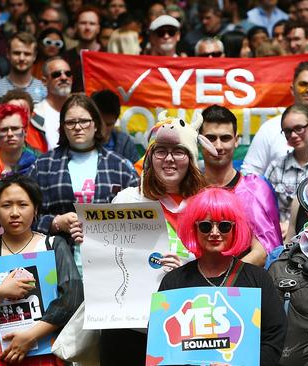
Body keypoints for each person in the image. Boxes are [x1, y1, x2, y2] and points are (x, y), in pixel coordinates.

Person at [102, 111, 216, 365]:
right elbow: (109, 262)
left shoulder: (206, 205)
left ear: (191, 158)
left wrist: (188, 271)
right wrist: (91, 241)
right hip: (128, 328)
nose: (169, 159)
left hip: (186, 325)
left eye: (179, 151)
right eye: (160, 151)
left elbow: (222, 262)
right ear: (150, 157)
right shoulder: (127, 201)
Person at [158, 187, 287, 365]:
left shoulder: (259, 279)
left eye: (224, 225)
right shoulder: (173, 282)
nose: (215, 232)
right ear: (193, 228)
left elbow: (274, 337)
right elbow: (160, 343)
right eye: (205, 225)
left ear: (235, 229)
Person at [0, 174, 83, 365]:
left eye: (22, 204)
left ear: (36, 209)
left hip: (48, 356)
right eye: (6, 205)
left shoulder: (53, 245)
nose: (14, 212)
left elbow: (73, 297)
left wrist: (31, 336)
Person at [29, 94, 138, 273]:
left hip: (110, 267)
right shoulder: (43, 166)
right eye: (71, 122)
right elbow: (25, 218)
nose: (78, 127)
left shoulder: (121, 167)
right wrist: (55, 222)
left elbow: (139, 221)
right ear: (63, 127)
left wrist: (104, 225)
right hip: (57, 266)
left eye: (84, 121)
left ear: (96, 124)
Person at [200, 105, 281, 265]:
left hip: (243, 285)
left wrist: (226, 282)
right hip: (190, 284)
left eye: (225, 138)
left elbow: (265, 251)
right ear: (199, 140)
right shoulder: (188, 188)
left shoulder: (255, 189)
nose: (218, 146)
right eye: (210, 138)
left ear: (236, 140)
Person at [266, 104, 308, 235]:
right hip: (281, 239)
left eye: (299, 128)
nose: (293, 135)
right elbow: (265, 209)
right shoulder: (276, 167)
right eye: (288, 131)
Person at [0, 32, 47, 104]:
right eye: (17, 53)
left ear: (35, 56)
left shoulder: (43, 89)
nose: (21, 58)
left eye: (27, 54)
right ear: (8, 54)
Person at [91, 88, 140, 162]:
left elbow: (137, 171)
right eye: (99, 123)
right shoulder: (80, 142)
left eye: (108, 125)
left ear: (115, 121)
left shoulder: (125, 143)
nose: (103, 129)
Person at [34, 57, 72, 150]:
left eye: (68, 74)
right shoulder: (35, 114)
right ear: (44, 81)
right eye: (56, 74)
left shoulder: (84, 110)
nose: (64, 77)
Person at [63, 7, 102, 93]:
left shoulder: (107, 56)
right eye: (83, 23)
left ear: (98, 28)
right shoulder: (65, 58)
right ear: (76, 27)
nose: (87, 27)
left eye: (92, 24)